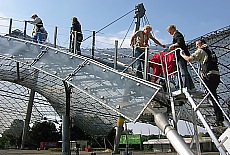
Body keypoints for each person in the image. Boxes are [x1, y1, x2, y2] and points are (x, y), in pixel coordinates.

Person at [180, 39, 224, 126]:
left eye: (197, 44)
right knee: (213, 95)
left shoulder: (201, 51)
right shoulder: (211, 51)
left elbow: (189, 59)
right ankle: (219, 117)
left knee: (213, 97)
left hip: (209, 76)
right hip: (216, 75)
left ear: (202, 44)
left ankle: (219, 119)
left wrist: (182, 55)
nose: (196, 46)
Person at [167, 25, 195, 90]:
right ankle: (189, 86)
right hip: (180, 55)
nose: (169, 33)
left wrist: (173, 45)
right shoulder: (176, 35)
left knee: (183, 71)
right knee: (184, 71)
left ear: (172, 29)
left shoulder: (177, 34)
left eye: (169, 31)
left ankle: (185, 86)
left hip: (180, 55)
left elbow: (180, 42)